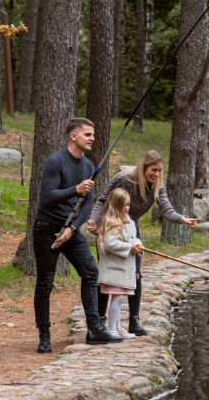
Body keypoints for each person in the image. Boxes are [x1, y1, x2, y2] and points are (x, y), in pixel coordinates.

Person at [33, 118, 122, 353]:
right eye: (88, 134)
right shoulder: (55, 161)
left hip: (70, 231)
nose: (92, 138)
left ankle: (94, 328)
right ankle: (44, 336)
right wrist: (75, 189)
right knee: (45, 284)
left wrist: (72, 229)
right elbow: (47, 196)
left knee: (91, 273)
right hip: (47, 230)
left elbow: (87, 205)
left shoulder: (89, 166)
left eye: (93, 134)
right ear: (73, 136)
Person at [88, 150, 198, 336]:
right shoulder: (124, 179)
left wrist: (183, 219)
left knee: (135, 274)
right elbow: (102, 200)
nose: (156, 174)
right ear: (143, 167)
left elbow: (167, 211)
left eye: (160, 170)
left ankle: (133, 321)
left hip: (131, 229)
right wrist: (93, 221)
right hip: (111, 227)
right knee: (107, 277)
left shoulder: (158, 186)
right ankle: (100, 322)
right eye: (153, 170)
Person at [95, 188, 144, 339]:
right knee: (117, 297)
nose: (127, 208)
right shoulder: (111, 222)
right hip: (114, 268)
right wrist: (130, 247)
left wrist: (137, 244)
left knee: (120, 296)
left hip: (124, 268)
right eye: (123, 205)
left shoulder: (129, 221)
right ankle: (112, 329)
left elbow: (132, 238)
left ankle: (117, 327)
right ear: (115, 205)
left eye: (128, 204)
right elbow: (110, 243)